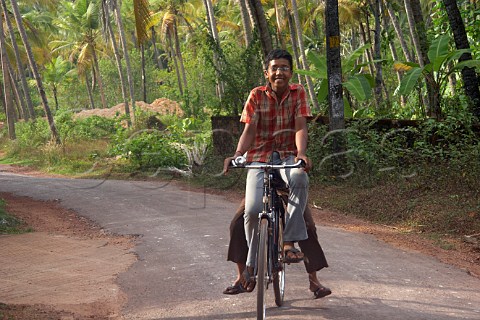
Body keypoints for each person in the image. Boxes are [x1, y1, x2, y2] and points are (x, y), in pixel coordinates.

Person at [223, 48, 318, 293]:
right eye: (274, 68)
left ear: (291, 72)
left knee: (303, 200)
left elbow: (300, 126)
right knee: (250, 213)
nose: (279, 72)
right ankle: (248, 269)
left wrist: (300, 154)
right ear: (267, 73)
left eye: (284, 68)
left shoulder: (298, 93)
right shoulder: (256, 95)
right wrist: (237, 155)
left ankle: (293, 247)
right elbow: (250, 130)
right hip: (259, 159)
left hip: (287, 157)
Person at [223, 198, 331, 299]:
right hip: (262, 187)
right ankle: (241, 276)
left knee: (308, 226)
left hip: (291, 190)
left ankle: (314, 281)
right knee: (236, 224)